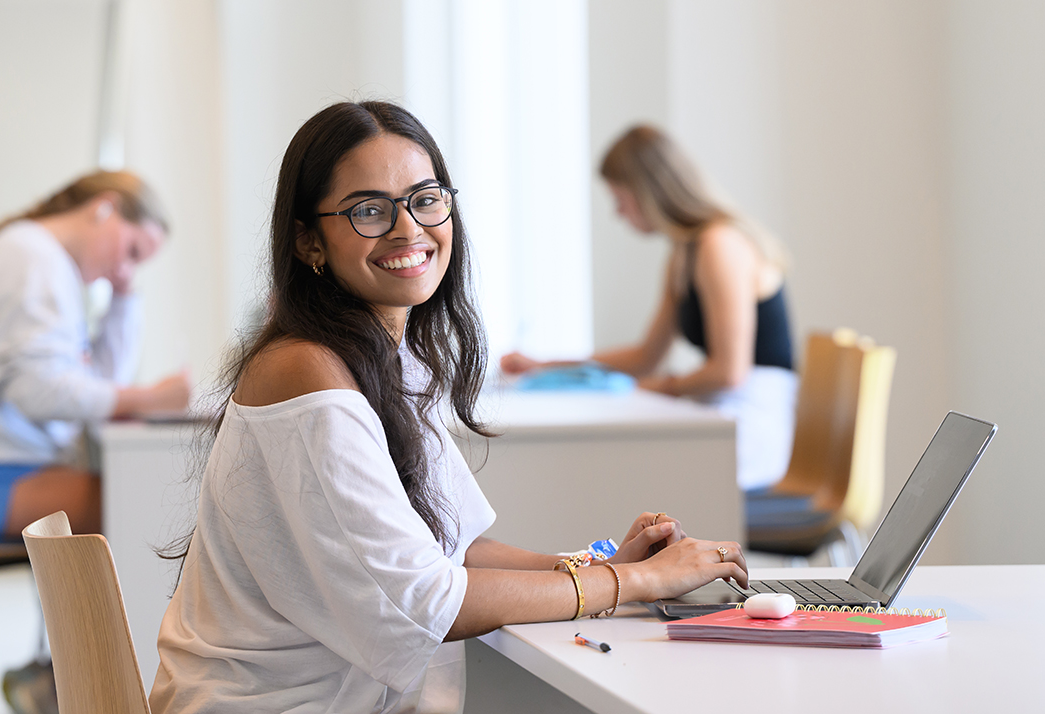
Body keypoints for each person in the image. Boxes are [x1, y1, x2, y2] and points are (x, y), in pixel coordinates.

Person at [151, 102, 748, 714]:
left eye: (426, 198)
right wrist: (637, 583)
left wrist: (598, 566)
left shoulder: (390, 358)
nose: (408, 228)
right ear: (310, 240)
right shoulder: (305, 370)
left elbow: (456, 548)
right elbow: (429, 599)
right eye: (369, 210)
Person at [500, 124, 798, 492]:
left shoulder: (719, 245)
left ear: (646, 193)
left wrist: (655, 388)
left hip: (753, 425)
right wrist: (545, 366)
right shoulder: (685, 253)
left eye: (620, 199)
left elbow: (729, 372)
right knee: (625, 474)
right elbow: (645, 356)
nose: (619, 213)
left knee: (629, 478)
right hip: (726, 411)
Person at [0, 170, 191, 541]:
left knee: (143, 498)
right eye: (132, 251)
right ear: (106, 207)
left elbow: (98, 384)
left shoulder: (44, 262)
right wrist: (148, 399)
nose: (124, 270)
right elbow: (38, 392)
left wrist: (123, 299)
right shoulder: (32, 260)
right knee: (150, 503)